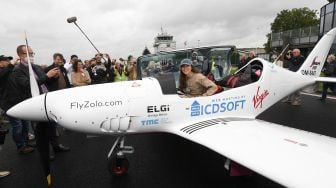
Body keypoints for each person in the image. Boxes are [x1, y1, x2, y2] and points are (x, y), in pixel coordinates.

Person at [0, 55, 35, 154]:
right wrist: (11, 66)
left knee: (25, 124)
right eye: (6, 60)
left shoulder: (9, 71)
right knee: (17, 125)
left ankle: (26, 143)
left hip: (18, 100)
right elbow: (3, 74)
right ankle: (21, 146)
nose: (8, 62)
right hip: (8, 103)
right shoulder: (4, 72)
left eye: (9, 60)